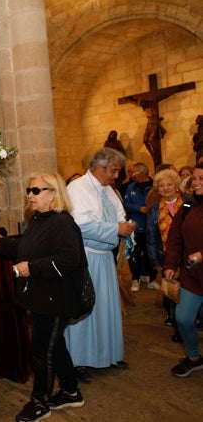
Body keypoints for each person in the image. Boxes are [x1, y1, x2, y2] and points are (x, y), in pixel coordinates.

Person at [0, 172, 86, 422]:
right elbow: (27, 248)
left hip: (56, 297)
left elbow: (71, 259)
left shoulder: (62, 222)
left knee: (41, 350)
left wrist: (34, 267)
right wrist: (2, 245)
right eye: (29, 190)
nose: (30, 195)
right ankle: (71, 391)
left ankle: (41, 403)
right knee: (54, 345)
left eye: (36, 191)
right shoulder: (40, 219)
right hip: (44, 296)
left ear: (53, 193)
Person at [63, 148, 136, 383]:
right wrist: (116, 229)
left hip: (105, 257)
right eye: (114, 171)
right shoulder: (78, 188)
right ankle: (79, 360)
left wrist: (126, 225)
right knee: (86, 309)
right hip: (87, 256)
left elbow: (118, 213)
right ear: (100, 167)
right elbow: (80, 224)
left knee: (107, 308)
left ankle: (108, 355)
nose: (116, 176)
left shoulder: (108, 190)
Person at [163, 163, 203, 378]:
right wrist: (170, 265)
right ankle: (194, 357)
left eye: (201, 179)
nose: (196, 182)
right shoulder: (187, 207)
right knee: (184, 318)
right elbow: (175, 239)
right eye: (195, 178)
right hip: (192, 276)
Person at [146, 168, 190, 341]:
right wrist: (155, 261)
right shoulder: (154, 209)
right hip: (166, 255)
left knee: (191, 289)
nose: (165, 188)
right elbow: (150, 237)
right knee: (171, 292)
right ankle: (177, 326)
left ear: (176, 185)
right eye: (161, 186)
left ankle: (191, 318)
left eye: (169, 184)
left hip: (188, 254)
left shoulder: (188, 202)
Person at [123, 162, 157, 291]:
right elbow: (126, 204)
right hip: (136, 227)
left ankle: (152, 279)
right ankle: (135, 279)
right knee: (134, 254)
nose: (132, 176)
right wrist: (139, 208)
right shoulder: (131, 187)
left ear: (143, 173)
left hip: (152, 227)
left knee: (151, 253)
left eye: (134, 173)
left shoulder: (155, 185)